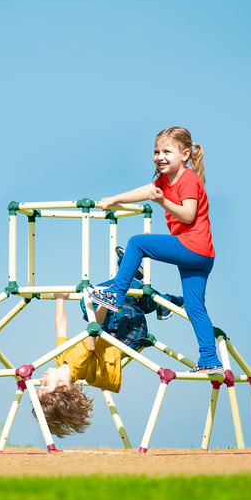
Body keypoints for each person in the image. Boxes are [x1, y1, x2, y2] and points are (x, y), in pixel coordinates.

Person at [93, 127, 220, 375]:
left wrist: (162, 201)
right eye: (156, 152)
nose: (160, 157)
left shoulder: (188, 180)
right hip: (202, 255)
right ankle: (209, 358)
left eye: (166, 152)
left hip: (191, 246)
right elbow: (144, 192)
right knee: (195, 308)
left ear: (185, 154)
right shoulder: (164, 180)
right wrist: (114, 199)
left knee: (137, 243)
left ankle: (115, 295)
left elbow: (188, 214)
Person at [36, 259, 184, 438]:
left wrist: (60, 299)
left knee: (91, 302)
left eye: (40, 384)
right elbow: (95, 326)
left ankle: (137, 280)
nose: (41, 379)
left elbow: (61, 328)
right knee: (100, 296)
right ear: (62, 387)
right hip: (129, 335)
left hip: (113, 332)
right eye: (45, 385)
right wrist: (106, 299)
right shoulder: (78, 363)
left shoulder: (61, 359)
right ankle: (160, 298)